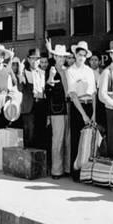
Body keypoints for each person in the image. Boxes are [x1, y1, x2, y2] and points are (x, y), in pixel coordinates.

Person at [67, 41, 97, 180]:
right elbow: (73, 94)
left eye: (84, 56)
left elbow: (93, 93)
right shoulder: (70, 71)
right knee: (76, 139)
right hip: (78, 107)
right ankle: (76, 172)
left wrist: (94, 113)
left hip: (89, 105)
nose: (81, 58)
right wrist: (84, 115)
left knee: (89, 140)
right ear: (75, 54)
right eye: (79, 55)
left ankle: (87, 171)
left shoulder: (89, 71)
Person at [45, 40, 72, 179]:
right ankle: (56, 170)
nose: (61, 59)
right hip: (57, 109)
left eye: (63, 57)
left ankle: (67, 168)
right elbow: (47, 91)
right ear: (55, 57)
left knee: (67, 139)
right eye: (59, 56)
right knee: (58, 140)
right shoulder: (51, 70)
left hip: (68, 107)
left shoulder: (67, 70)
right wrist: (49, 81)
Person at [18, 48, 46, 148]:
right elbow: (20, 88)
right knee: (29, 134)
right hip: (28, 107)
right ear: (28, 59)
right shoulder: (23, 72)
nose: (35, 61)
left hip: (40, 106)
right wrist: (20, 74)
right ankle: (28, 160)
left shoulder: (42, 73)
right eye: (32, 58)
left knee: (40, 133)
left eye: (37, 59)